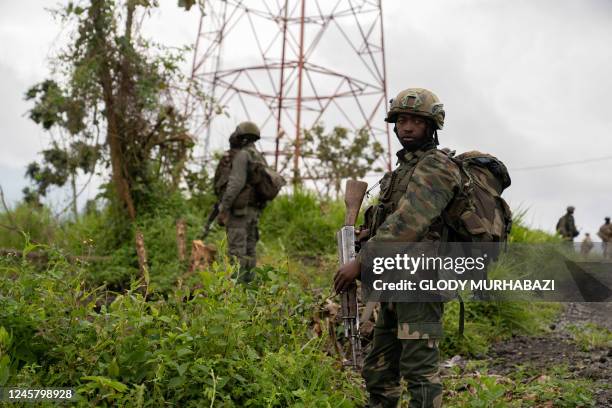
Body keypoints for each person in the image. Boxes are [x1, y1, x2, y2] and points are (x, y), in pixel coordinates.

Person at [334, 88, 461, 408]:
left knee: (419, 369)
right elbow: (391, 223)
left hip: (422, 283)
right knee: (378, 368)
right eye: (401, 120)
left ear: (431, 126)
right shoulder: (401, 172)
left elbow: (409, 223)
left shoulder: (437, 167)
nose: (406, 127)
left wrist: (361, 261)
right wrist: (366, 236)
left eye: (415, 121)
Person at [214, 121, 269, 282]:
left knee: (236, 252)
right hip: (254, 212)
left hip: (240, 213)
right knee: (250, 251)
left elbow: (235, 184)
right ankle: (249, 288)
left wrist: (223, 207)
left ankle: (236, 292)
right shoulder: (259, 157)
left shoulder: (242, 155)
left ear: (241, 137)